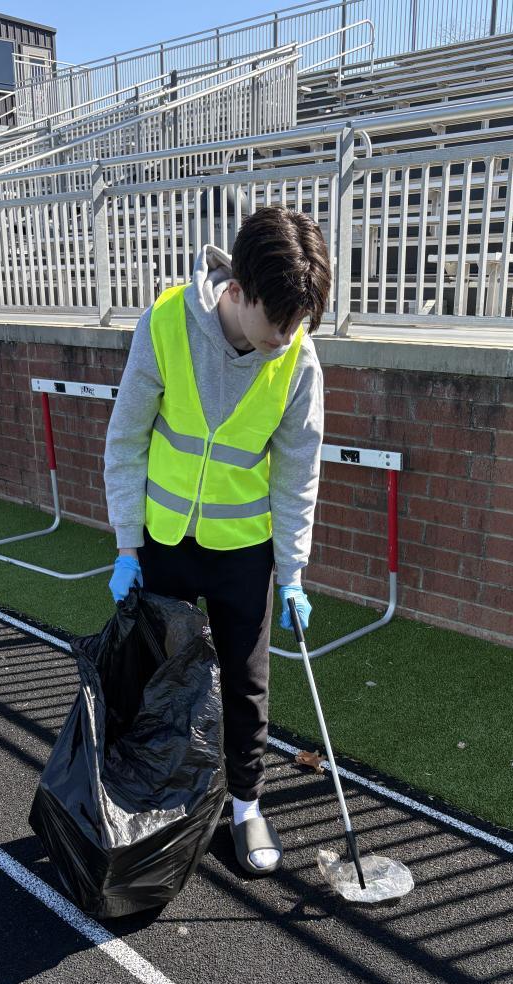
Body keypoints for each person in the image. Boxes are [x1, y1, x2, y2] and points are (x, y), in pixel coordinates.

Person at [103, 206, 330, 877]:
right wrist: (127, 547)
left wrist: (292, 571)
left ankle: (245, 806)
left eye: (297, 325)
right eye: (276, 325)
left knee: (246, 686)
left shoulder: (298, 359)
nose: (283, 340)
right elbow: (126, 440)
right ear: (238, 290)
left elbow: (297, 474)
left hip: (243, 551)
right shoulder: (166, 323)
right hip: (165, 542)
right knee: (158, 676)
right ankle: (149, 794)